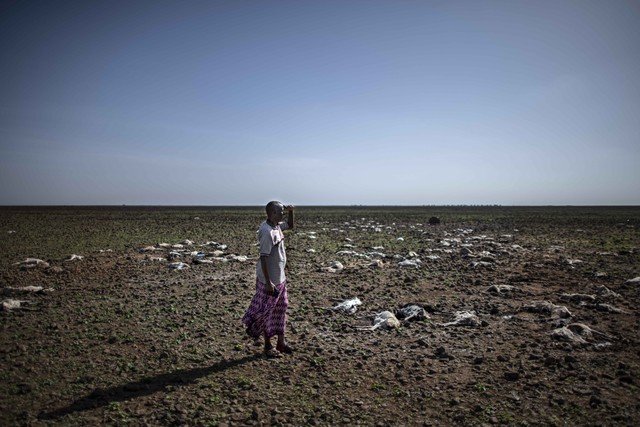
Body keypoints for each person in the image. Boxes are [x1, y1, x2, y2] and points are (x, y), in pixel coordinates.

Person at [242, 201, 295, 357]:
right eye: (281, 212)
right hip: (269, 280)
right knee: (267, 312)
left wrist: (291, 211)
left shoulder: (276, 226)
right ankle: (267, 346)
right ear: (273, 213)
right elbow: (263, 258)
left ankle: (281, 342)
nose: (283, 214)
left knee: (282, 307)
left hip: (280, 277)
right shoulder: (266, 232)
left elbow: (290, 225)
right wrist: (268, 283)